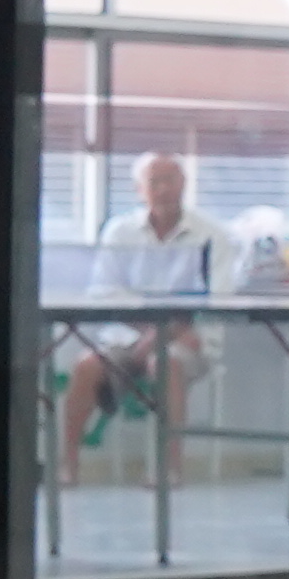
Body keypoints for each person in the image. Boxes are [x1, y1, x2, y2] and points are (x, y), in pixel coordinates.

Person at [63, 147, 222, 467]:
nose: (163, 189)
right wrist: (149, 333)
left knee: (165, 363)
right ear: (139, 190)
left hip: (185, 338)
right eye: (154, 181)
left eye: (170, 180)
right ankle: (68, 465)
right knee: (86, 366)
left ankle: (170, 469)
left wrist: (163, 335)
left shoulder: (211, 234)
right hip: (125, 335)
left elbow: (216, 297)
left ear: (184, 184)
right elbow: (106, 292)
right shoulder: (119, 231)